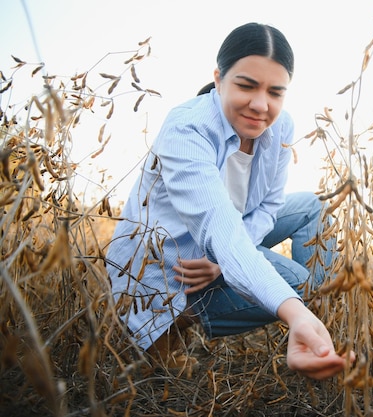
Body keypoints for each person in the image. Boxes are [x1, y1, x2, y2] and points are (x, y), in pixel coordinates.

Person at [106, 22, 352, 380]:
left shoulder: (281, 127)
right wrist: (290, 308)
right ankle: (175, 321)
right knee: (294, 282)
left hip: (226, 242)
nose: (260, 105)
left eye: (275, 92)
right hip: (171, 264)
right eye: (246, 85)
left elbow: (268, 207)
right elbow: (221, 230)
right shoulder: (187, 129)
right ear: (219, 79)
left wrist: (222, 264)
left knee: (313, 207)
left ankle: (317, 327)